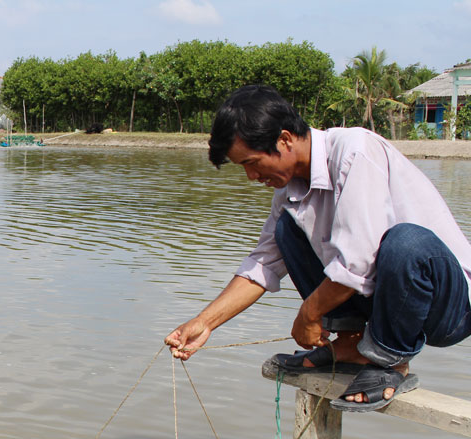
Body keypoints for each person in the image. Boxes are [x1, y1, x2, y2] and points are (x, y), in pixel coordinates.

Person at [164, 85, 471, 412]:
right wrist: (204, 322)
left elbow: (360, 258)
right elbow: (263, 264)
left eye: (252, 163)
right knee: (288, 228)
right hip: (385, 300)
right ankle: (351, 344)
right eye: (243, 167)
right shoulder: (289, 191)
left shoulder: (355, 151)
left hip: (445, 307)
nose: (252, 176)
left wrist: (310, 312)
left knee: (406, 241)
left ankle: (391, 360)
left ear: (284, 139)